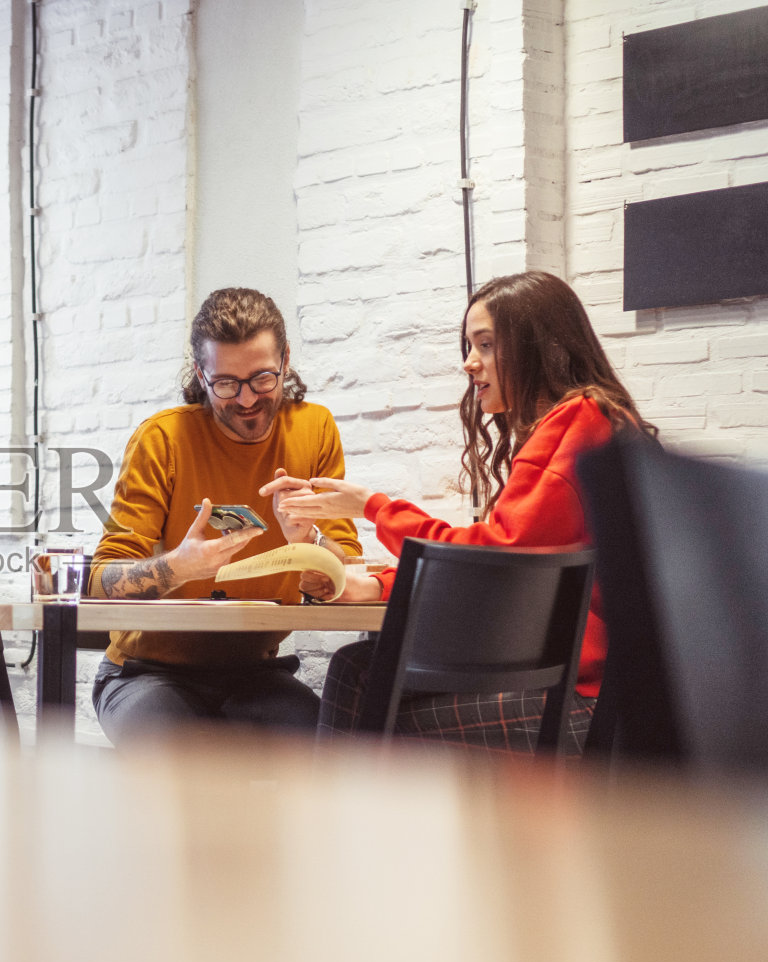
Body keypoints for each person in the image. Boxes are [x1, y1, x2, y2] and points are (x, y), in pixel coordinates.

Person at [271, 270, 658, 753]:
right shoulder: (594, 418)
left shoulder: (578, 419)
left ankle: (343, 822)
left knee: (361, 681)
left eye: (487, 345)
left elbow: (499, 559)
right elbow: (506, 563)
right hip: (592, 693)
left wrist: (374, 507)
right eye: (469, 346)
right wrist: (380, 585)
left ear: (537, 345)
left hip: (583, 705)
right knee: (361, 671)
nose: (469, 363)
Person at [88, 287, 362, 747]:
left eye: (262, 379)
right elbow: (98, 583)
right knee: (190, 758)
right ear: (201, 373)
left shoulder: (315, 430)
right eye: (227, 384)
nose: (248, 399)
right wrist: (179, 567)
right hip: (143, 673)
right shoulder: (163, 439)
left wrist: (312, 545)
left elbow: (348, 578)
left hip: (254, 674)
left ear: (286, 361)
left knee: (335, 753)